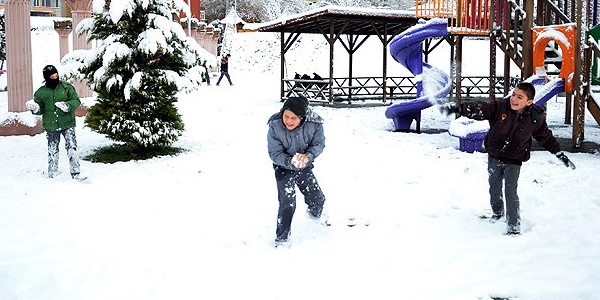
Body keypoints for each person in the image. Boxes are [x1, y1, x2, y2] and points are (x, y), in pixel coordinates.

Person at [441, 82, 575, 235]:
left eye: (519, 97)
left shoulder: (535, 118)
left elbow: (545, 137)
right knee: (494, 187)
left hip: (515, 157)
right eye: (513, 94)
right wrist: (460, 108)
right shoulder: (500, 107)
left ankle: (513, 226)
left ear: (529, 102)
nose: (514, 99)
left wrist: (559, 153)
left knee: (510, 191)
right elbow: (482, 109)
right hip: (495, 154)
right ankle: (498, 212)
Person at [267, 96, 326, 247]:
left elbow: (318, 143)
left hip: (304, 165)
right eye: (286, 116)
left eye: (293, 118)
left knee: (318, 198)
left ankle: (314, 219)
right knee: (287, 202)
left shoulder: (315, 123)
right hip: (283, 167)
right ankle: (282, 239)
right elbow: (274, 153)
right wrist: (289, 161)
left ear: (302, 117)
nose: (288, 121)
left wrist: (308, 156)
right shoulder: (275, 125)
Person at [25, 65, 84, 180]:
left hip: (68, 123)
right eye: (52, 76)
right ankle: (52, 173)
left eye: (56, 75)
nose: (55, 78)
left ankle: (76, 172)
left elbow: (76, 100)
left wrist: (68, 106)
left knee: (72, 146)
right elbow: (40, 109)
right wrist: (35, 108)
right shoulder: (40, 92)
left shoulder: (66, 87)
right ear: (47, 78)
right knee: (52, 149)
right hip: (51, 125)